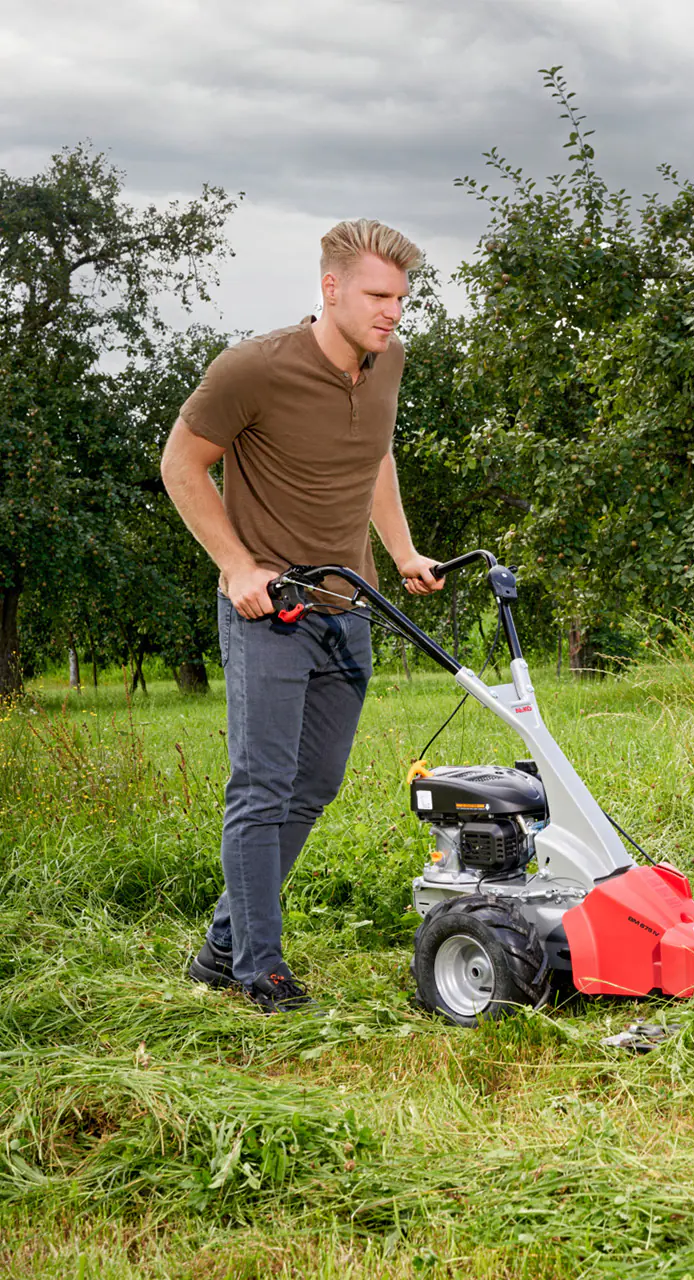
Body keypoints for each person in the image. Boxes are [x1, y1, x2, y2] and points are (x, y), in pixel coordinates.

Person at [160, 219, 444, 1013]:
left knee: (314, 783)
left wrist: (404, 551)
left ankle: (222, 944)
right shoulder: (253, 369)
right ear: (331, 288)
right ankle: (259, 965)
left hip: (346, 605)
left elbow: (377, 454)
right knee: (261, 785)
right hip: (270, 612)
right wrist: (235, 564)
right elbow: (181, 463)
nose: (394, 311)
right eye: (378, 296)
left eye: (402, 298)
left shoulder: (387, 361)